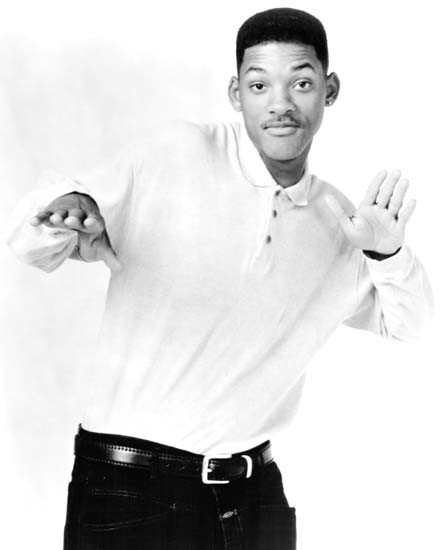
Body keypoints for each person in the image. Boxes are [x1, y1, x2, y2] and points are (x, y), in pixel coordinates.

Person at [6, 7, 433, 550]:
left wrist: (387, 251)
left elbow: (414, 326)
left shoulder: (342, 223)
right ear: (236, 93)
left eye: (301, 83)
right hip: (130, 489)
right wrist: (68, 206)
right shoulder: (175, 154)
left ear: (330, 90)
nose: (280, 103)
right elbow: (28, 242)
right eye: (259, 85)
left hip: (256, 498)